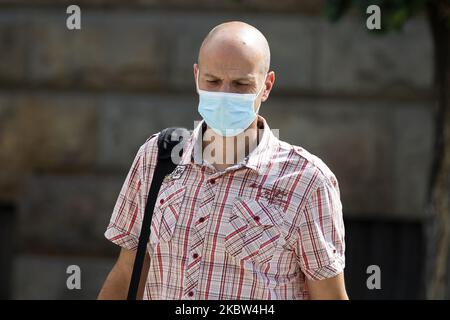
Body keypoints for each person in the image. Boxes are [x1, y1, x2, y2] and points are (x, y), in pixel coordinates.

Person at [98, 21, 348, 300]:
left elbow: (330, 296)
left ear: (266, 86)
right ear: (196, 77)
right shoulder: (156, 157)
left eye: (241, 84)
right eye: (212, 81)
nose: (224, 94)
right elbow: (127, 271)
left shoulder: (307, 180)